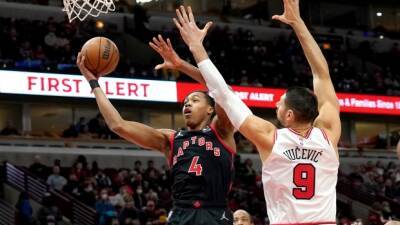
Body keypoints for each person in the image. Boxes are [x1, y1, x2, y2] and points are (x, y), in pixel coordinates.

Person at [173, 2, 340, 224]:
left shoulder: (271, 137)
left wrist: (196, 47)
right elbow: (322, 74)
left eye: (279, 104)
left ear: (289, 115)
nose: (275, 106)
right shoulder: (329, 133)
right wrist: (298, 23)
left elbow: (222, 93)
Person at [76, 33, 236, 224]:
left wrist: (181, 65)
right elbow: (118, 125)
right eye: (185, 102)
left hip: (215, 213)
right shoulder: (170, 140)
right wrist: (94, 83)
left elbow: (224, 92)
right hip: (181, 214)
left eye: (194, 100)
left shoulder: (222, 130)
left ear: (211, 109)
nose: (187, 104)